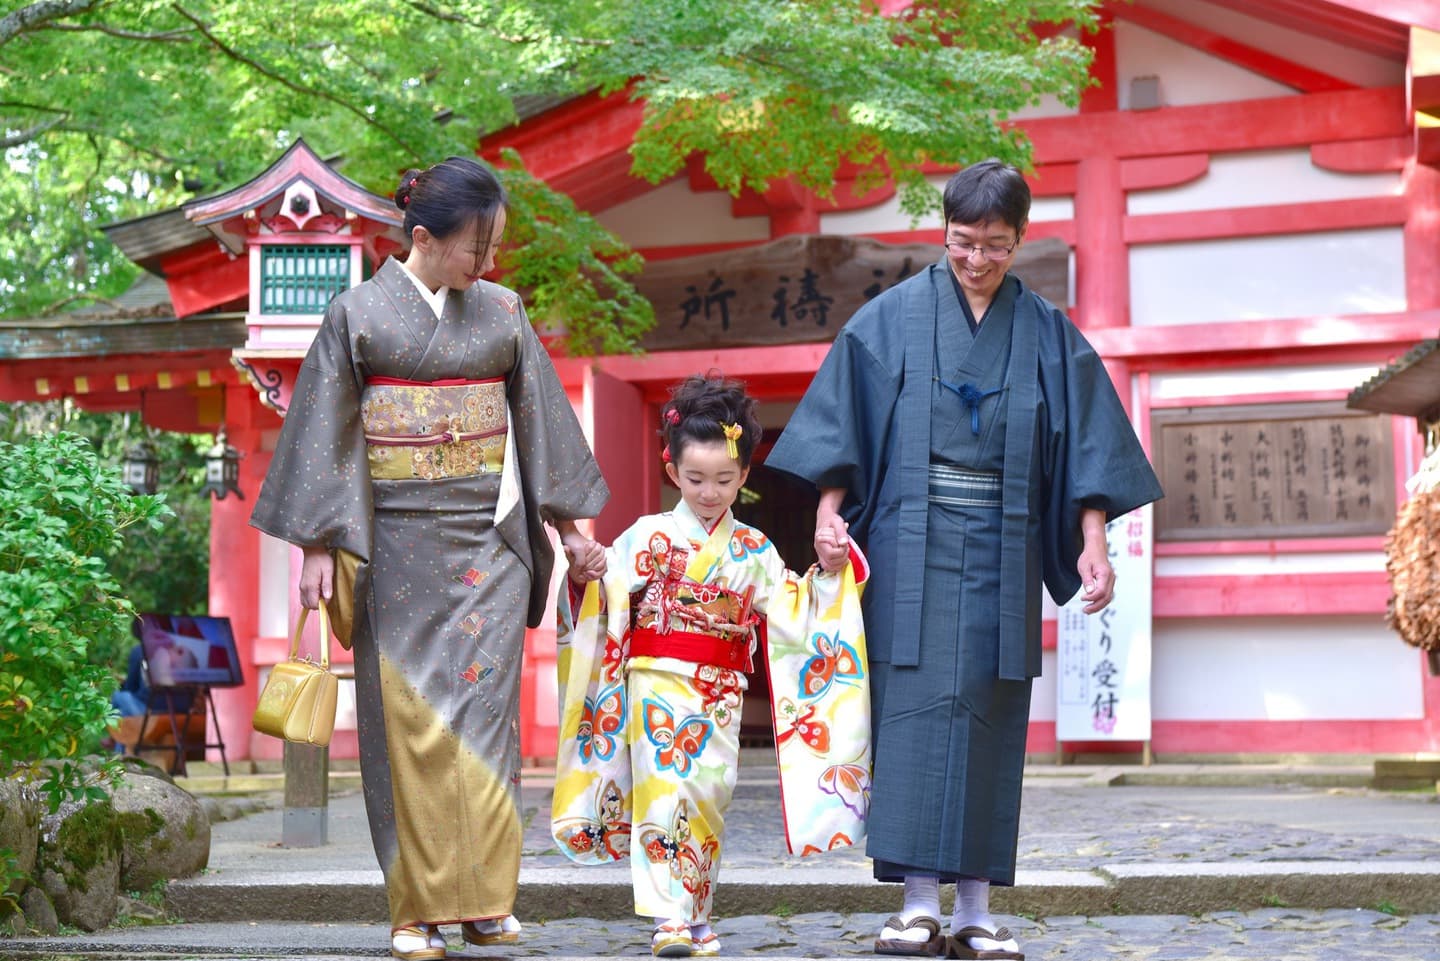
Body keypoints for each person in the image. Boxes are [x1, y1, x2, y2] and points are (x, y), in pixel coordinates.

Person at [764, 159, 1164, 961]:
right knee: (910, 712)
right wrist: (829, 514)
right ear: (942, 232)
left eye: (995, 246)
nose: (977, 260)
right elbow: (845, 427)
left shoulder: (1048, 333)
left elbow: (1085, 442)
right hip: (910, 542)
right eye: (961, 243)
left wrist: (1093, 541)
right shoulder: (891, 320)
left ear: (1019, 239)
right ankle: (916, 904)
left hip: (1004, 544)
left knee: (989, 711)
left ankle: (976, 908)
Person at [250, 156, 609, 961]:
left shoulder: (504, 314)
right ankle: (415, 907)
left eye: (491, 249)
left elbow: (539, 426)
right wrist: (317, 542)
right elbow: (324, 438)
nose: (484, 265)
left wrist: (571, 532)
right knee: (407, 726)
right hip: (396, 546)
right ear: (422, 237)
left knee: (485, 724)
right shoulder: (357, 315)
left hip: (489, 543)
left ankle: (485, 900)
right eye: (472, 249)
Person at [551, 373, 871, 958]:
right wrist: (585, 573)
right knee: (664, 788)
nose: (709, 491)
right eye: (695, 478)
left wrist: (827, 570)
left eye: (725, 479)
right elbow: (605, 598)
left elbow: (796, 609)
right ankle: (668, 917)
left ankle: (695, 912)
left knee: (707, 795)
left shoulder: (753, 549)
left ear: (745, 475)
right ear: (672, 471)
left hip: (719, 692)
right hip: (656, 683)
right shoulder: (647, 535)